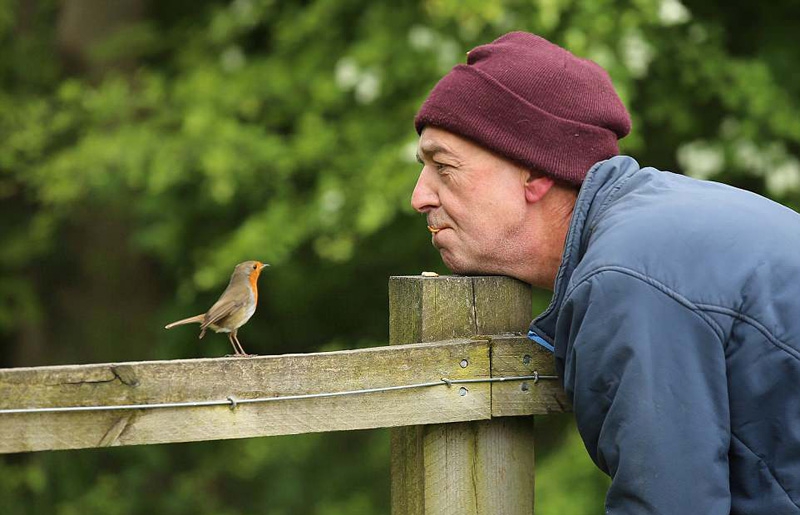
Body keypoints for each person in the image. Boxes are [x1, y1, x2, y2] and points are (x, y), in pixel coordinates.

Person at [411, 31, 800, 514]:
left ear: (534, 173)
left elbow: (669, 505)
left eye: (444, 168)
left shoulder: (628, 278)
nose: (419, 196)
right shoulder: (653, 232)